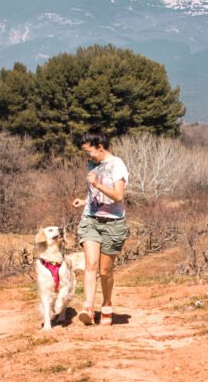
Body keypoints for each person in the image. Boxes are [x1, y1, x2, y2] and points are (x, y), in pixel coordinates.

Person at [72, 128, 129, 326]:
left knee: (105, 271)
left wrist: (97, 184)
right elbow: (95, 193)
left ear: (100, 147)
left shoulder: (117, 165)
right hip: (91, 220)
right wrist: (85, 201)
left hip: (113, 223)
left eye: (89, 151)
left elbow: (118, 196)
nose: (87, 156)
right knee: (90, 264)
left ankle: (106, 304)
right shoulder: (92, 164)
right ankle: (88, 307)